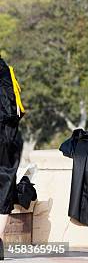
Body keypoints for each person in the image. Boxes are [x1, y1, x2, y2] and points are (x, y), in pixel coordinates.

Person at [0, 56, 24, 261]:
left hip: (5, 134)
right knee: (6, 182)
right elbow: (15, 110)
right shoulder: (6, 70)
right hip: (7, 135)